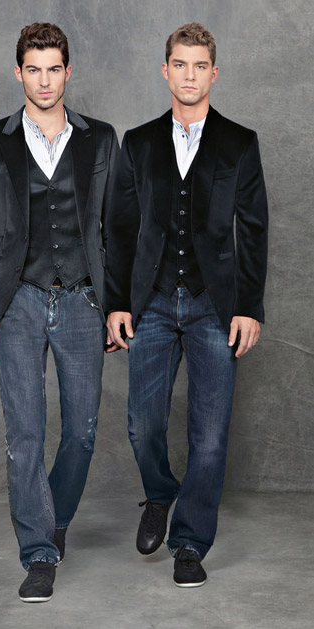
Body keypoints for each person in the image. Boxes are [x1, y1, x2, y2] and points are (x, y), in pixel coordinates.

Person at [105, 22, 268, 587]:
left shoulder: (240, 143)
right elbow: (119, 229)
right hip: (150, 303)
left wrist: (249, 306)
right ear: (166, 70)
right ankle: (159, 493)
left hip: (214, 307)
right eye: (180, 64)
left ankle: (190, 542)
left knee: (211, 436)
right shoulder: (138, 142)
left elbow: (253, 230)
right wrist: (117, 303)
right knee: (142, 423)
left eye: (200, 66)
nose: (190, 75)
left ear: (213, 73)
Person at [0, 22, 118, 602]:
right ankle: (39, 553)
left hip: (83, 298)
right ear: (19, 73)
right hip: (18, 301)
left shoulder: (101, 139)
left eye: (54, 69)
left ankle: (52, 518)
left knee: (81, 433)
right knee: (24, 433)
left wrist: (118, 305)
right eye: (34, 70)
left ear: (68, 72)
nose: (45, 81)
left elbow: (117, 227)